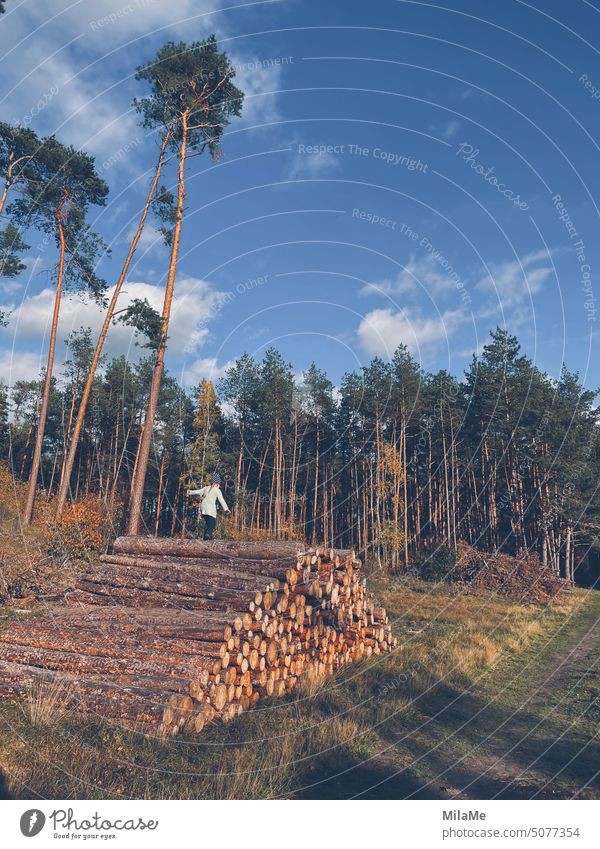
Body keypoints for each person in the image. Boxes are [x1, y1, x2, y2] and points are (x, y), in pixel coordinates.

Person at [187, 474, 230, 540]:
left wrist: (190, 492)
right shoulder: (217, 490)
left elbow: (198, 491)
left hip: (203, 507)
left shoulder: (206, 488)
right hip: (210, 509)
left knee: (207, 523)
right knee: (213, 523)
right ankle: (208, 533)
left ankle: (206, 537)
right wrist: (226, 509)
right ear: (217, 484)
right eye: (219, 484)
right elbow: (222, 500)